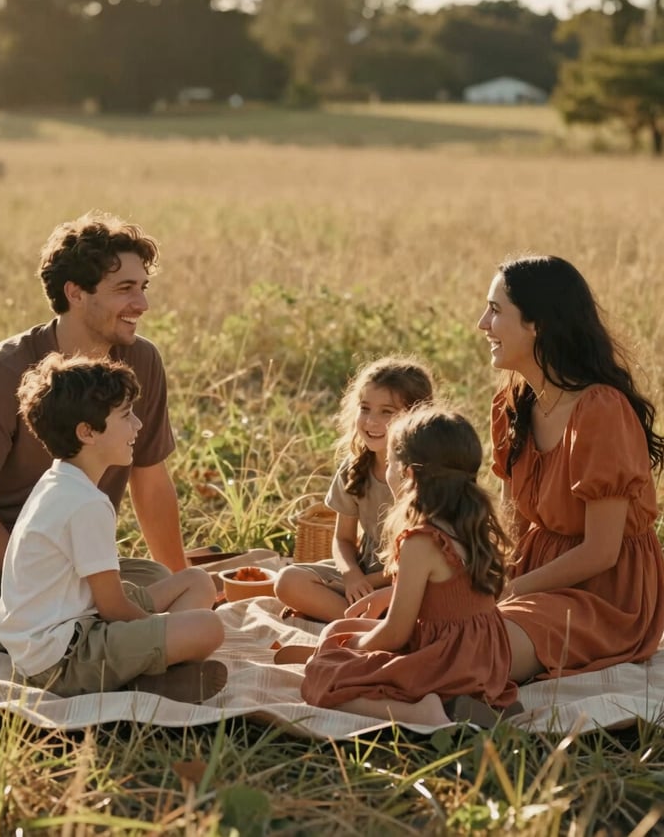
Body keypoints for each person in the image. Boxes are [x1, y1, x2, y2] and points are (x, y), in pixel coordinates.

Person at [0, 211, 200, 666]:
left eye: (143, 288)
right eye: (125, 289)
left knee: (159, 581)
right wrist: (35, 579)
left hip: (68, 553)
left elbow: (151, 483)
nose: (142, 304)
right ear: (75, 293)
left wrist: (178, 578)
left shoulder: (142, 362)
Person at [0, 354, 225, 701]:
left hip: (69, 625)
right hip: (62, 659)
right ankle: (143, 679)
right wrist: (158, 629)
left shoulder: (60, 480)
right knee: (208, 628)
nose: (138, 426)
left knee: (196, 581)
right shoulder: (85, 503)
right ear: (87, 432)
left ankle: (155, 664)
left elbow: (105, 598)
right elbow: (113, 607)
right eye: (126, 415)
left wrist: (158, 629)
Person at [478, 254, 664, 683]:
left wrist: (510, 593)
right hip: (533, 571)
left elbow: (602, 551)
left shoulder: (600, 410)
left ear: (537, 324)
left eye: (495, 310)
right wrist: (485, 578)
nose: (482, 324)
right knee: (449, 624)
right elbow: (513, 521)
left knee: (484, 647)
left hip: (604, 594)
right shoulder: (514, 402)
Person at [287, 403, 519, 728]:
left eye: (392, 462)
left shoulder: (420, 541)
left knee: (321, 677)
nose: (388, 470)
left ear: (408, 474)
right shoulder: (470, 524)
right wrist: (347, 636)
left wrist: (356, 649)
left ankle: (422, 712)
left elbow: (397, 632)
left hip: (445, 663)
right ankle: (470, 700)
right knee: (336, 631)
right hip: (484, 662)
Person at [274, 356, 434, 623]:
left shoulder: (425, 474)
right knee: (288, 581)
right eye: (365, 408)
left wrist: (364, 583)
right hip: (363, 576)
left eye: (387, 412)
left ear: (416, 416)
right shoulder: (356, 466)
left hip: (411, 581)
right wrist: (351, 576)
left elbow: (427, 556)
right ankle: (373, 625)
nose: (371, 421)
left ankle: (379, 623)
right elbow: (343, 540)